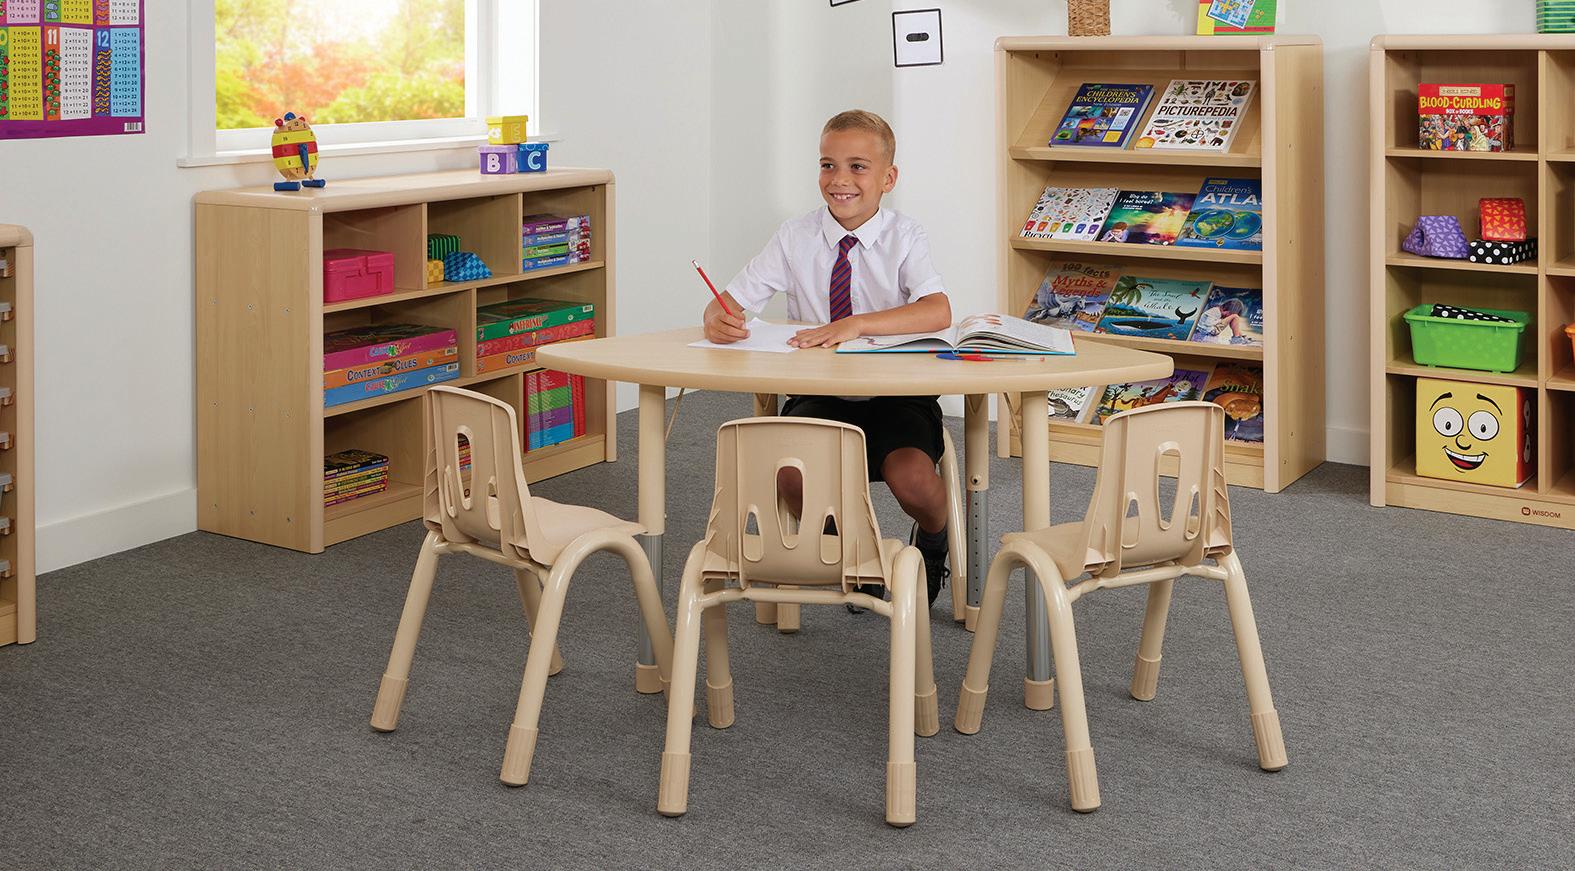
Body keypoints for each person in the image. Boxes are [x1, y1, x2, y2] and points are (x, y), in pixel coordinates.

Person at [701, 109, 953, 609]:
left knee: (914, 481)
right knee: (790, 476)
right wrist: (716, 316)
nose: (839, 179)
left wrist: (855, 324)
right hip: (820, 394)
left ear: (888, 178)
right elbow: (729, 301)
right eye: (827, 165)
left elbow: (937, 309)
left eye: (857, 167)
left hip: (897, 396)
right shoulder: (794, 236)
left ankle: (933, 539)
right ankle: (849, 549)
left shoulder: (905, 235)